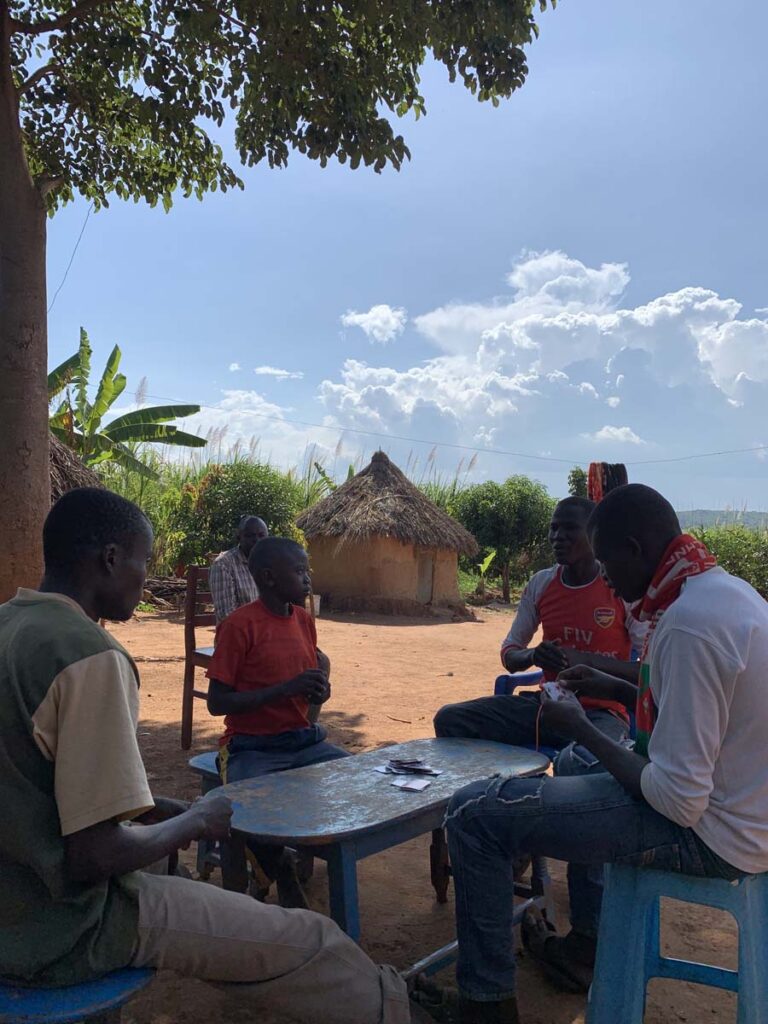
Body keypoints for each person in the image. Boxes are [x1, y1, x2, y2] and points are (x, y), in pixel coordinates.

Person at [0, 488, 427, 1024]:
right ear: (110, 558)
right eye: (143, 561)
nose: (146, 577)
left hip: (14, 896)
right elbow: (94, 857)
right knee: (309, 939)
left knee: (191, 866)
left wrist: (148, 807)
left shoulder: (10, 625)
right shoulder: (90, 655)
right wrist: (197, 821)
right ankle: (401, 1010)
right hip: (60, 926)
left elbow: (32, 780)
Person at [444, 484, 768, 1024]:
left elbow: (678, 800)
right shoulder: (724, 593)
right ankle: (587, 941)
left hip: (712, 834)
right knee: (574, 764)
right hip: (746, 814)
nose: (607, 578)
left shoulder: (688, 624)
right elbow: (698, 705)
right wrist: (616, 687)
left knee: (473, 814)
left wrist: (581, 728)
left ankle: (486, 1007)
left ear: (634, 548)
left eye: (608, 560)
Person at [434, 496, 645, 974]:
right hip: (544, 708)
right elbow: (510, 653)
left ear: (594, 536)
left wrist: (589, 666)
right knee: (452, 720)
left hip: (599, 715)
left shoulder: (616, 586)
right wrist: (533, 657)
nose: (558, 538)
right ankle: (501, 822)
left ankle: (588, 930)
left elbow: (644, 671)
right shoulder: (542, 584)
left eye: (569, 529)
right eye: (553, 529)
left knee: (581, 767)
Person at [207, 536, 349, 909]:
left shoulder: (303, 621)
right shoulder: (239, 626)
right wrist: (285, 689)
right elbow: (217, 702)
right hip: (251, 746)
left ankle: (304, 854)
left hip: (303, 742)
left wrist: (319, 691)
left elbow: (304, 682)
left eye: (308, 571)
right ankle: (281, 867)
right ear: (269, 578)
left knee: (356, 779)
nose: (307, 579)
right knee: (245, 808)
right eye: (299, 571)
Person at [208, 514, 268, 624]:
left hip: (268, 630)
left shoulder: (272, 562)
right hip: (240, 632)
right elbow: (227, 616)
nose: (256, 540)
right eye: (250, 536)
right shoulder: (223, 564)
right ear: (239, 538)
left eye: (261, 535)